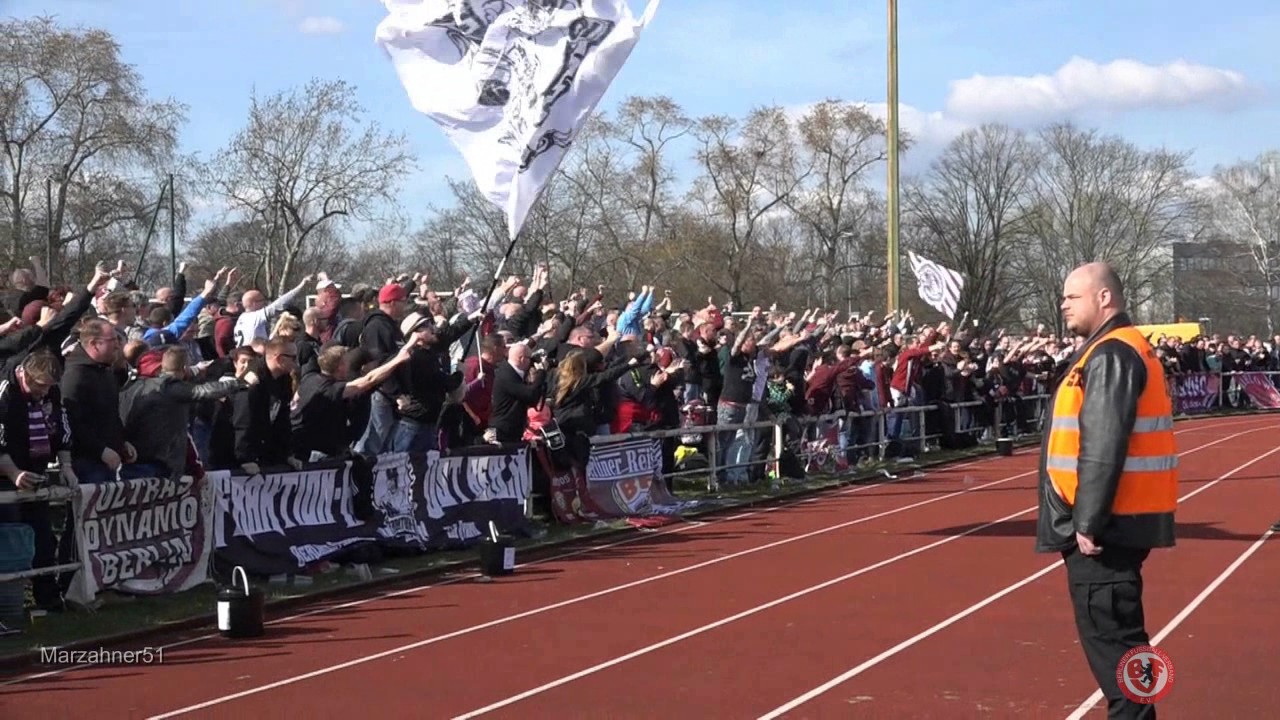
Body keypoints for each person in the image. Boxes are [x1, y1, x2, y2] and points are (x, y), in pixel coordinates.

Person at [1035, 261, 1178, 719]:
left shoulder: (1112, 353)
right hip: (1117, 523)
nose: (1063, 305)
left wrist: (1088, 521)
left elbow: (1103, 442)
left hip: (1105, 531)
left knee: (1116, 650)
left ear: (1104, 298)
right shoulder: (1112, 349)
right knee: (1123, 648)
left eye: (1072, 297)